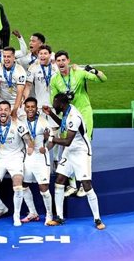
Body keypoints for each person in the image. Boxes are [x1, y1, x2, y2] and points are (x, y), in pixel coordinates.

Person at [47, 92, 105, 230]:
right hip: (70, 151)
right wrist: (50, 114)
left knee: (86, 185)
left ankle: (98, 219)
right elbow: (64, 124)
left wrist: (51, 138)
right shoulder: (67, 112)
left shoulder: (74, 116)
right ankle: (60, 218)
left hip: (80, 153)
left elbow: (67, 141)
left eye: (54, 102)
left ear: (61, 104)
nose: (53, 104)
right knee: (60, 180)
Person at [0, 101, 35, 226]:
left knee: (18, 185)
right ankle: (1, 207)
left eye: (5, 110)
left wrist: (30, 149)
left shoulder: (18, 125)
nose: (3, 112)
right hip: (0, 157)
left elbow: (29, 140)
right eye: (1, 109)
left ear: (9, 112)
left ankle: (16, 215)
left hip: (16, 157)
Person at [49, 50, 106, 138]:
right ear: (56, 62)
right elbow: (54, 100)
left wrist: (95, 71)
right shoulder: (54, 80)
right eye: (58, 60)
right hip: (68, 113)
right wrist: (61, 115)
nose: (61, 63)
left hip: (84, 109)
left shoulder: (79, 73)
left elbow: (103, 79)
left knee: (85, 137)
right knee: (68, 140)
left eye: (63, 60)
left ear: (68, 61)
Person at [19, 97, 57, 225]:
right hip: (27, 158)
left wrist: (46, 148)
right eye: (28, 107)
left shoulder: (43, 122)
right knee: (23, 184)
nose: (30, 109)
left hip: (41, 158)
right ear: (25, 108)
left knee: (43, 187)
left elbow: (52, 140)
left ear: (36, 108)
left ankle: (49, 215)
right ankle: (33, 212)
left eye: (32, 107)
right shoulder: (21, 122)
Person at [0, 46, 27, 117]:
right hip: (2, 102)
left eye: (8, 56)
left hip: (16, 102)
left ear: (14, 57)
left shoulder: (20, 71)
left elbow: (20, 92)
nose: (6, 59)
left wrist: (15, 109)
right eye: (4, 56)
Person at [23, 44, 58, 109]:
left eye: (45, 53)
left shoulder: (56, 66)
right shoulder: (33, 67)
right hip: (39, 105)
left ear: (50, 55)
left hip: (55, 105)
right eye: (40, 53)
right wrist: (24, 100)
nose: (42, 55)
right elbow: (28, 85)